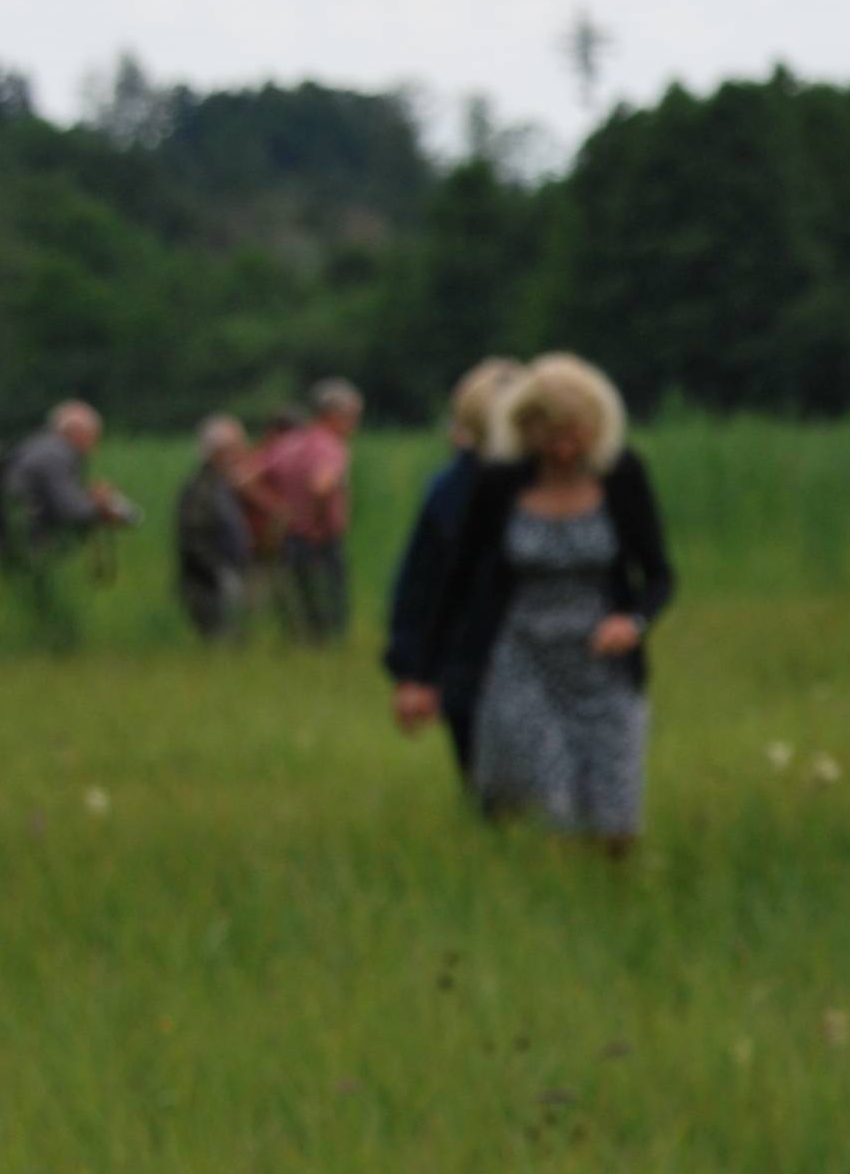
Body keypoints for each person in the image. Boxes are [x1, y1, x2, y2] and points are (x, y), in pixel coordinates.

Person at [394, 353, 674, 848]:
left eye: (576, 434)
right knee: (554, 806)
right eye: (550, 436)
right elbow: (452, 582)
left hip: (604, 665)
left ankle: (611, 900)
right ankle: (560, 897)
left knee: (615, 823)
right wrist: (419, 674)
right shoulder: (498, 483)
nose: (564, 449)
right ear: (526, 431)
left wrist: (633, 621)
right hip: (523, 660)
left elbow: (659, 575)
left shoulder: (623, 475)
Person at [380, 356, 523, 774]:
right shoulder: (450, 491)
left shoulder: (565, 482)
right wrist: (413, 671)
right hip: (467, 660)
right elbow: (421, 582)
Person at [253, 377, 361, 641]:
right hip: (321, 540)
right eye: (352, 416)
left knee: (303, 613)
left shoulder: (290, 442)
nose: (354, 424)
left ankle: (307, 656)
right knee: (330, 612)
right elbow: (321, 486)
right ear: (333, 414)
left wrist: (278, 508)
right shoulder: (331, 446)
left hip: (291, 538)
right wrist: (318, 524)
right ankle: (330, 661)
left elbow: (246, 478)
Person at [0, 400, 131, 574]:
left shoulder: (43, 446)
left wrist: (87, 498)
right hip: (29, 541)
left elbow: (56, 496)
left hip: (13, 534)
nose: (94, 446)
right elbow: (70, 509)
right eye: (93, 437)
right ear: (76, 432)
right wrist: (101, 507)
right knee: (35, 589)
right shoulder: (57, 455)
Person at [174, 416, 256, 637]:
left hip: (225, 577)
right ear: (220, 452)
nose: (243, 453)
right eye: (238, 447)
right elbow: (193, 539)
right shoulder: (201, 489)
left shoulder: (222, 484)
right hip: (208, 584)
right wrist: (219, 572)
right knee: (219, 645)